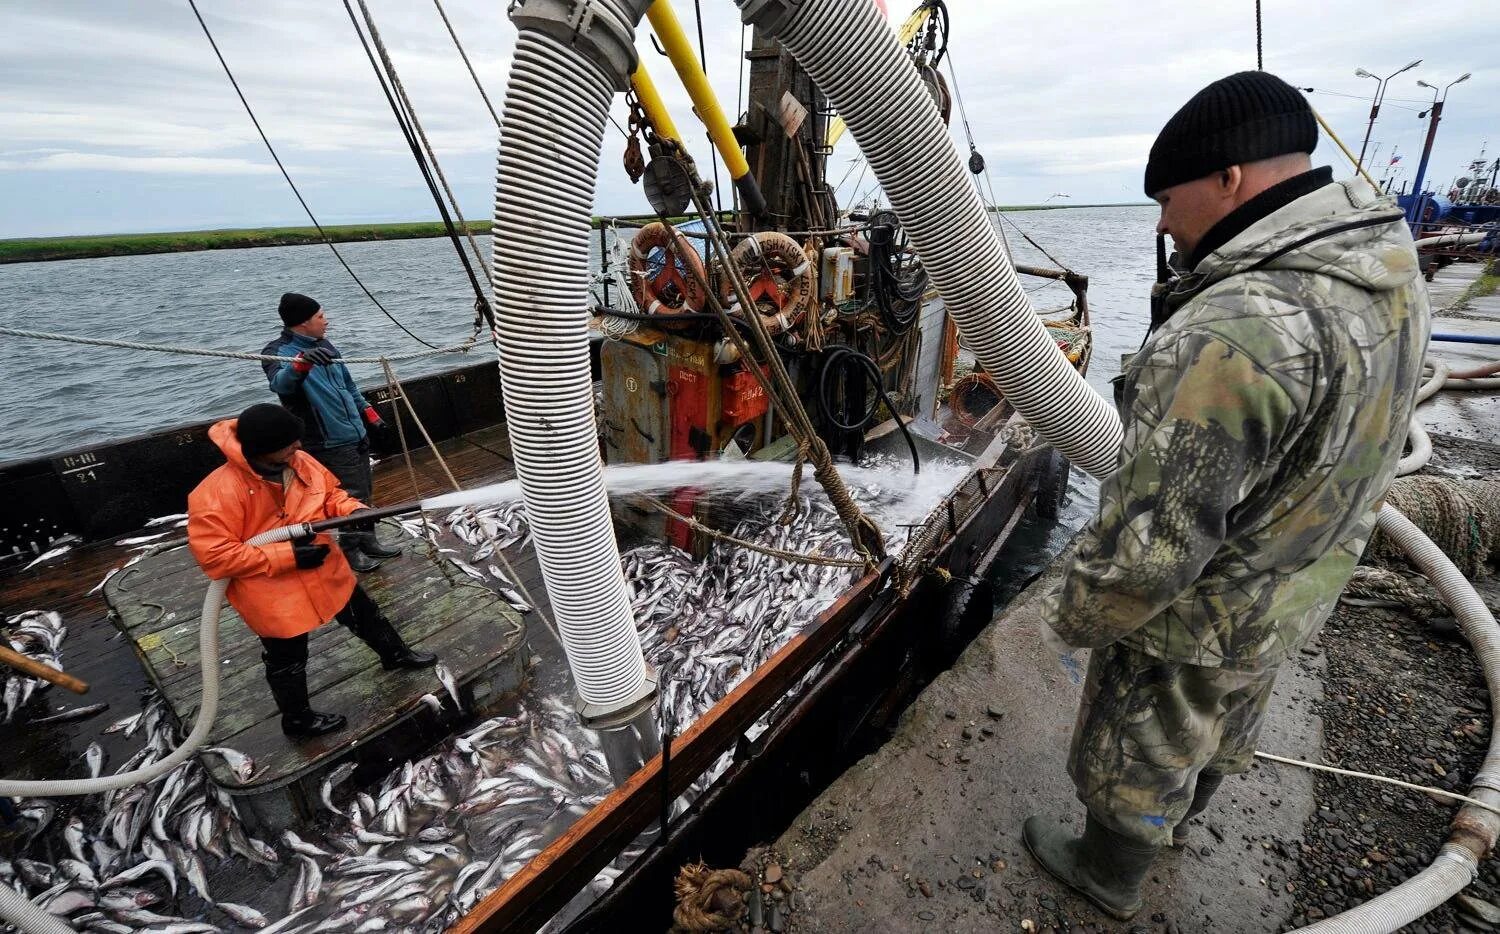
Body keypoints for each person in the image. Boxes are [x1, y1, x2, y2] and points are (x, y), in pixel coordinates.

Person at [1022, 71, 1430, 920]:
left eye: (1167, 198)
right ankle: (1177, 827)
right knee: (1225, 714)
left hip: (1204, 605)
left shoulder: (1236, 325)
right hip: (1298, 576)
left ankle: (1107, 872)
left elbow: (1153, 547)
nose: (1161, 222)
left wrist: (1073, 615)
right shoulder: (1384, 268)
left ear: (1229, 180)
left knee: (1144, 738)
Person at [187, 404, 437, 739]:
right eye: (289, 444)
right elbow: (215, 557)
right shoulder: (215, 493)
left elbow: (331, 495)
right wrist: (286, 555)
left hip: (324, 568)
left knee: (366, 615)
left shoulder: (300, 463)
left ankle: (395, 654)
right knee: (286, 659)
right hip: (272, 590)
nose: (299, 447)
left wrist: (354, 510)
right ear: (263, 449)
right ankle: (297, 719)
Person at [263, 292, 401, 572]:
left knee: (364, 491)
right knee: (346, 497)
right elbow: (281, 385)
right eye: (320, 316)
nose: (326, 321)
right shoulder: (277, 352)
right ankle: (351, 551)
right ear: (303, 323)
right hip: (327, 440)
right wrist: (302, 363)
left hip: (355, 432)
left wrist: (372, 417)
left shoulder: (325, 345)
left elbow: (348, 385)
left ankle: (368, 541)